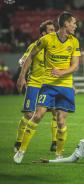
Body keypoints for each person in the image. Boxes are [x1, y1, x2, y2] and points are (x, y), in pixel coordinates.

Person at [14, 11, 81, 163]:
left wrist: (61, 72)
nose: (75, 26)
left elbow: (76, 66)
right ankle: (21, 150)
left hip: (65, 86)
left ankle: (59, 154)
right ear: (65, 24)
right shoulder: (46, 40)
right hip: (48, 85)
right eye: (73, 23)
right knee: (37, 115)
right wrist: (21, 76)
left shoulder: (74, 42)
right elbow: (30, 55)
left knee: (61, 121)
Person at [14, 20, 58, 153]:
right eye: (50, 30)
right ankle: (19, 141)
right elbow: (23, 59)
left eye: (54, 29)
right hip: (34, 83)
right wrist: (22, 75)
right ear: (43, 33)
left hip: (49, 84)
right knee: (29, 115)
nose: (54, 32)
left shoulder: (56, 46)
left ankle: (55, 142)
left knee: (56, 112)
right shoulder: (34, 46)